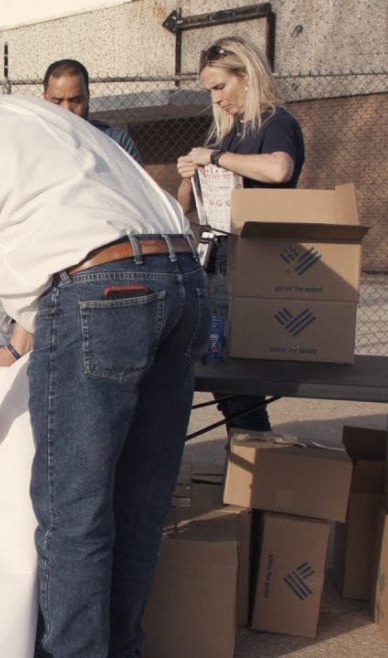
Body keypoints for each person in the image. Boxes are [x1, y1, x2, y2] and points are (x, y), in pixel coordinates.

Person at [0, 43, 208, 656]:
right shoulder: (33, 117)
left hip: (103, 296)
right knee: (139, 497)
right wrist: (28, 337)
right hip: (183, 282)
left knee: (73, 512)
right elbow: (65, 227)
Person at [176, 36, 305, 435]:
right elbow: (185, 207)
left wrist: (214, 157)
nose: (216, 99)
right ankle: (249, 465)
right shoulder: (230, 134)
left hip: (255, 268)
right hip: (218, 262)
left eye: (221, 87)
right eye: (210, 90)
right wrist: (188, 176)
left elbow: (279, 170)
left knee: (241, 382)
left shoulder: (276, 122)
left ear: (246, 76)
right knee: (227, 381)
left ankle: (257, 470)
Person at [43, 58, 145, 165]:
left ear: (88, 96)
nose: (67, 110)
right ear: (44, 100)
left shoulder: (117, 143)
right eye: (57, 101)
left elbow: (136, 182)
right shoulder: (31, 142)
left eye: (76, 101)